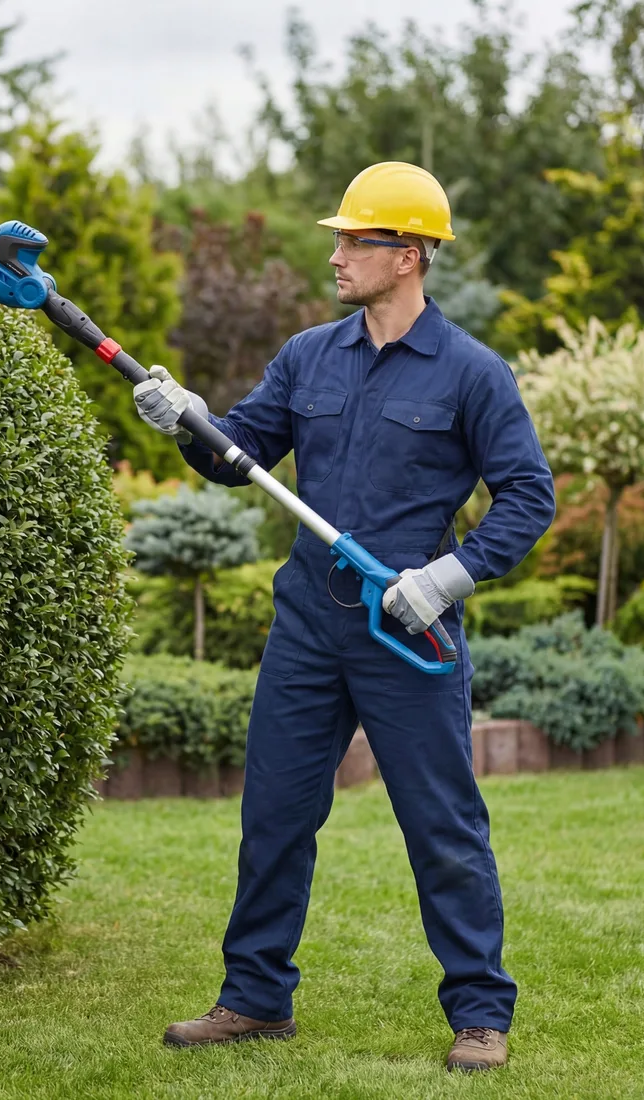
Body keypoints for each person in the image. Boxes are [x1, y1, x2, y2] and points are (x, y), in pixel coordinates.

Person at [132, 161, 555, 1073]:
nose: (335, 254)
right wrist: (188, 420)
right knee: (275, 814)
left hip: (406, 631)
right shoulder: (308, 357)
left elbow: (527, 495)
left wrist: (449, 576)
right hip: (309, 626)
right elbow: (237, 455)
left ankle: (480, 1014)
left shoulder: (472, 374)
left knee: (442, 824)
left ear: (406, 254)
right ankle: (254, 999)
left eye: (352, 240)